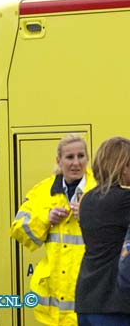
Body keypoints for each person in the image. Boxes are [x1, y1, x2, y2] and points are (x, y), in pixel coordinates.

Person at [10, 134, 94, 326]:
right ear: (59, 160)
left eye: (81, 156)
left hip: (90, 297)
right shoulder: (43, 191)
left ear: (87, 159)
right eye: (69, 157)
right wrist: (46, 219)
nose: (76, 163)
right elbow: (18, 229)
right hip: (54, 303)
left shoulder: (99, 189)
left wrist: (88, 216)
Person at [75, 136, 130, 325]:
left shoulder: (88, 199)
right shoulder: (124, 200)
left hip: (87, 298)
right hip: (115, 302)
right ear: (123, 166)